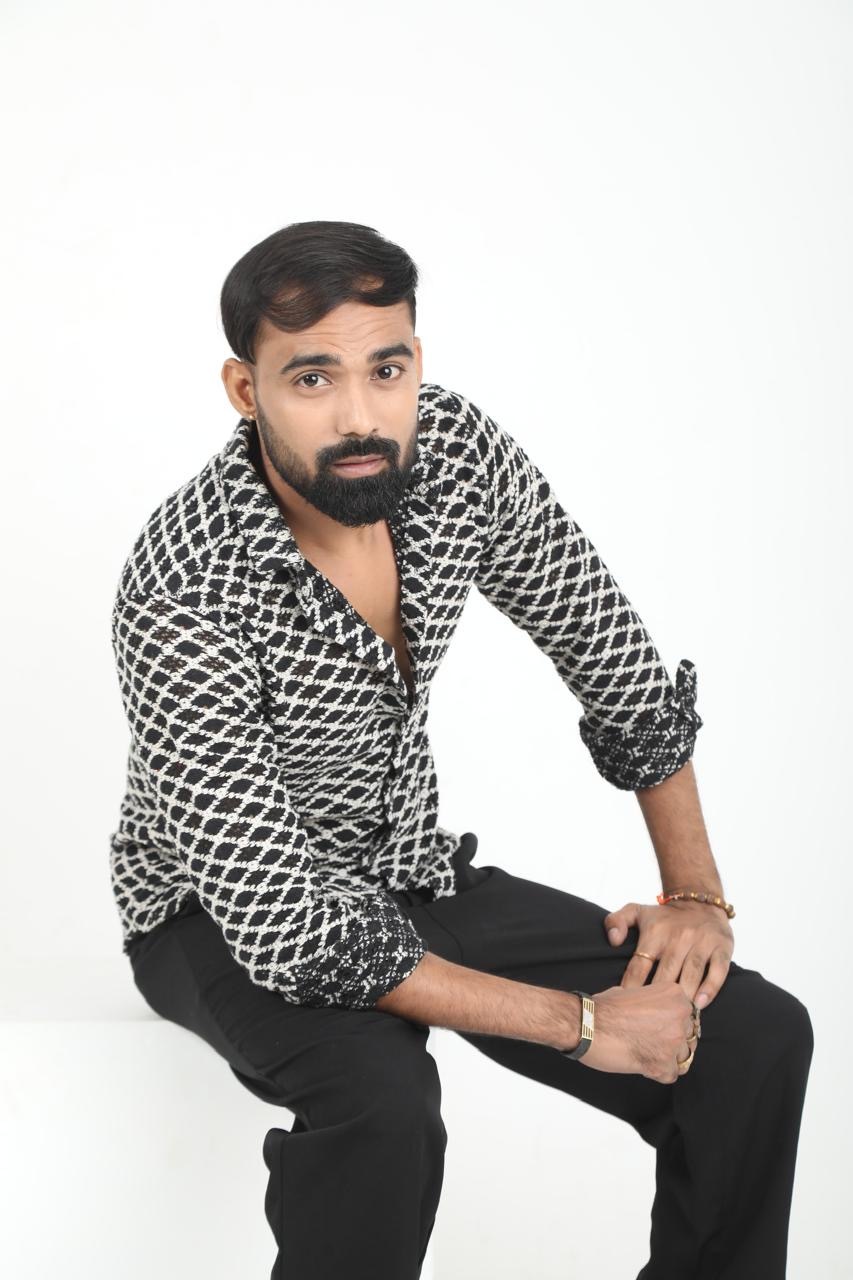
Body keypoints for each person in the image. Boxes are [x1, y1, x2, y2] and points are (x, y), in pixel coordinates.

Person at [109, 220, 813, 1279]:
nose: (360, 415)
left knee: (753, 1036)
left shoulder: (454, 454)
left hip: (406, 868)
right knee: (384, 1107)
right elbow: (284, 927)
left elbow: (608, 651)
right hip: (214, 913)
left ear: (416, 362)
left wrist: (694, 893)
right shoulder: (183, 587)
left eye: (385, 369)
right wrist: (585, 1023)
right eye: (311, 378)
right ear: (245, 389)